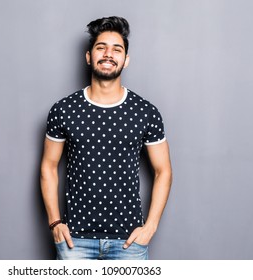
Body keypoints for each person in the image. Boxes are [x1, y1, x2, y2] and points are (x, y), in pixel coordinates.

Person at [40, 16, 172, 260]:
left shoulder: (145, 112)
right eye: (101, 47)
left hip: (128, 242)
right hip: (75, 241)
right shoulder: (64, 110)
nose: (108, 54)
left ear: (126, 60)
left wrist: (150, 226)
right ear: (89, 57)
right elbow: (48, 166)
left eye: (117, 49)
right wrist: (54, 223)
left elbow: (163, 170)